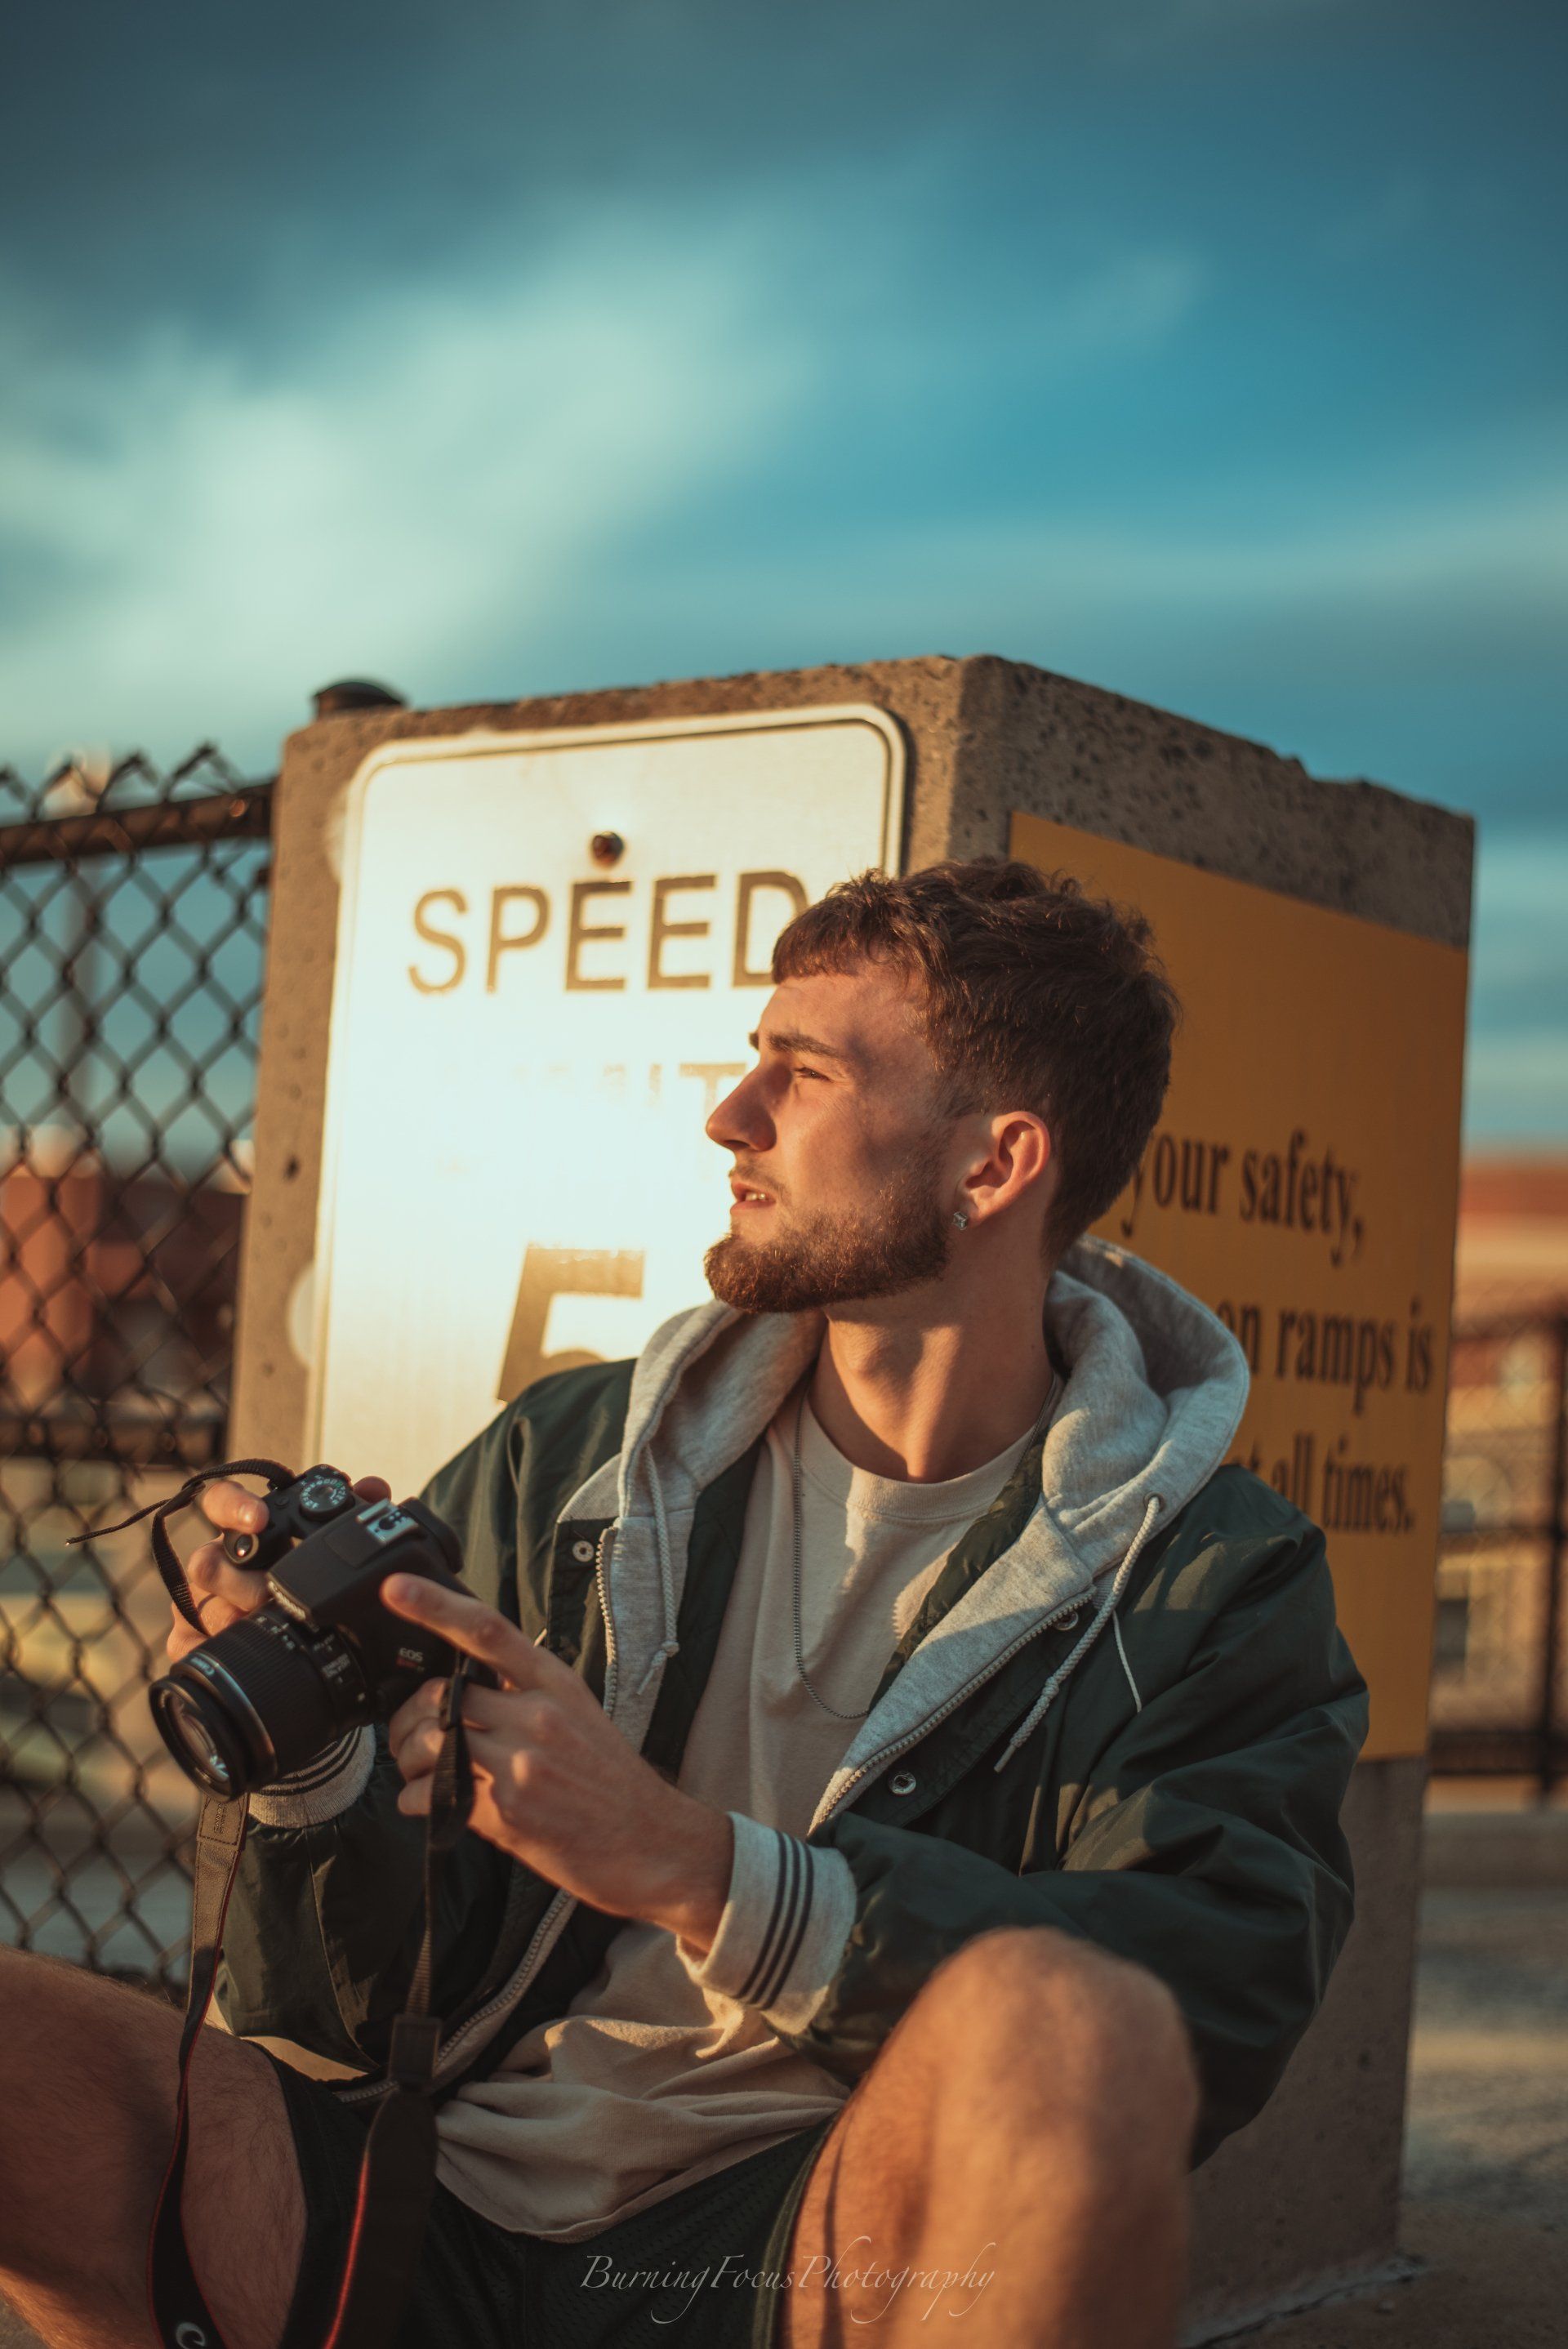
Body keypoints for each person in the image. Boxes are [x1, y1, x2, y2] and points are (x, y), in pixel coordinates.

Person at [0, 858, 1367, 2349]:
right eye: (749, 1062)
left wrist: (701, 1872)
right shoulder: (573, 1460)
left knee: (1067, 2023)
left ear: (995, 1165)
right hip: (417, 2199)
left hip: (776, 2252)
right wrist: (320, 1778)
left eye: (803, 1073)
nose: (731, 1116)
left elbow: (1207, 2007)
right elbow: (339, 2023)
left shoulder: (1215, 1577)